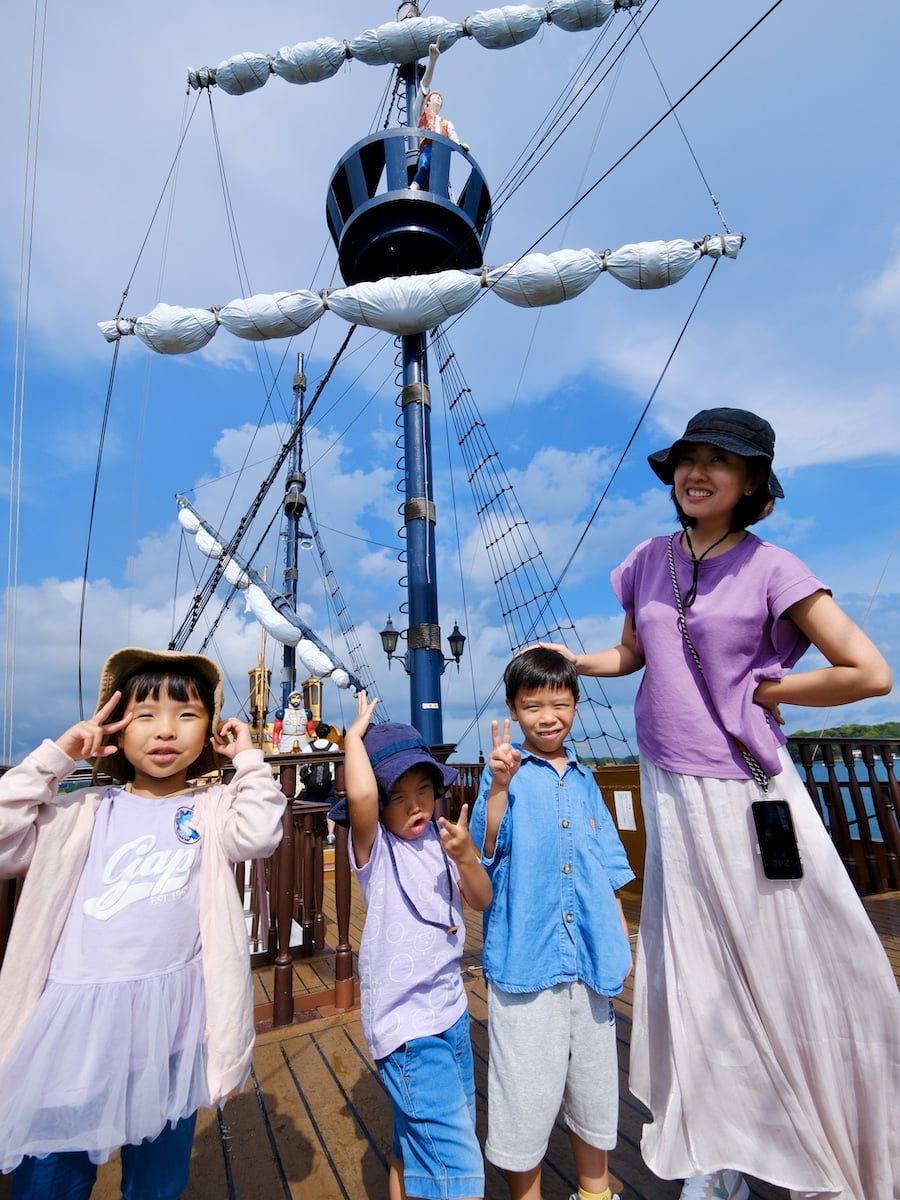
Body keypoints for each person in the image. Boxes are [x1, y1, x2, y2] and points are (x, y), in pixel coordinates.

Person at [540, 407, 900, 1200]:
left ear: (751, 485)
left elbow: (868, 673)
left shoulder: (775, 568)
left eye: (720, 462)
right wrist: (578, 662)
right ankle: (720, 1148)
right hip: (670, 786)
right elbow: (636, 651)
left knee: (798, 961)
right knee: (696, 971)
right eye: (688, 459)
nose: (697, 473)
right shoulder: (647, 560)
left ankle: (828, 1143)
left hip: (746, 795)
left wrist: (763, 688)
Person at [0, 646, 286, 1200]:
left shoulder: (212, 807)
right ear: (115, 726)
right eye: (145, 715)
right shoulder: (80, 810)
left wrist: (248, 758)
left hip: (172, 1026)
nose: (165, 731)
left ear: (209, 733)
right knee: (50, 1177)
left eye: (186, 716)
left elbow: (260, 833)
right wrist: (58, 756)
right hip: (76, 1026)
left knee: (158, 1183)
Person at [469, 648, 634, 1200]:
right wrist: (496, 789)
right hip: (527, 959)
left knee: (594, 1088)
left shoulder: (587, 781)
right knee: (524, 1093)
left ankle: (595, 1191)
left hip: (591, 959)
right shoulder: (506, 775)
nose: (547, 716)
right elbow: (484, 852)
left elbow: (608, 868)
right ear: (514, 712)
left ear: (576, 704)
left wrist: (621, 942)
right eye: (532, 705)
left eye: (559, 703)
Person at [334, 689, 492, 1200]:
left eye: (423, 790)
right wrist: (352, 739)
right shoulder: (374, 851)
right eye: (397, 797)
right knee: (455, 1160)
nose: (415, 805)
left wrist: (467, 856)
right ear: (378, 807)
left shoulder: (442, 842)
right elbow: (359, 798)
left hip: (450, 1012)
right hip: (405, 1027)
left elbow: (480, 899)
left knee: (426, 1135)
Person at [410, 43, 465, 192]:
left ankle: (444, 196)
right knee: (424, 165)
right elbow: (424, 87)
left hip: (442, 152)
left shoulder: (446, 123)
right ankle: (414, 186)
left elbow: (453, 137)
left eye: (441, 99)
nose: (439, 99)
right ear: (428, 101)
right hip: (427, 147)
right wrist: (432, 61)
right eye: (435, 97)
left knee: (441, 178)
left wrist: (459, 145)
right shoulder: (422, 115)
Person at [300, 719, 340, 843]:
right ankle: (331, 834)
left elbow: (304, 765)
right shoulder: (334, 747)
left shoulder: (308, 748)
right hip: (329, 782)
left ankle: (311, 833)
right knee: (331, 807)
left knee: (311, 807)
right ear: (328, 733)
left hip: (312, 783)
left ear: (316, 733)